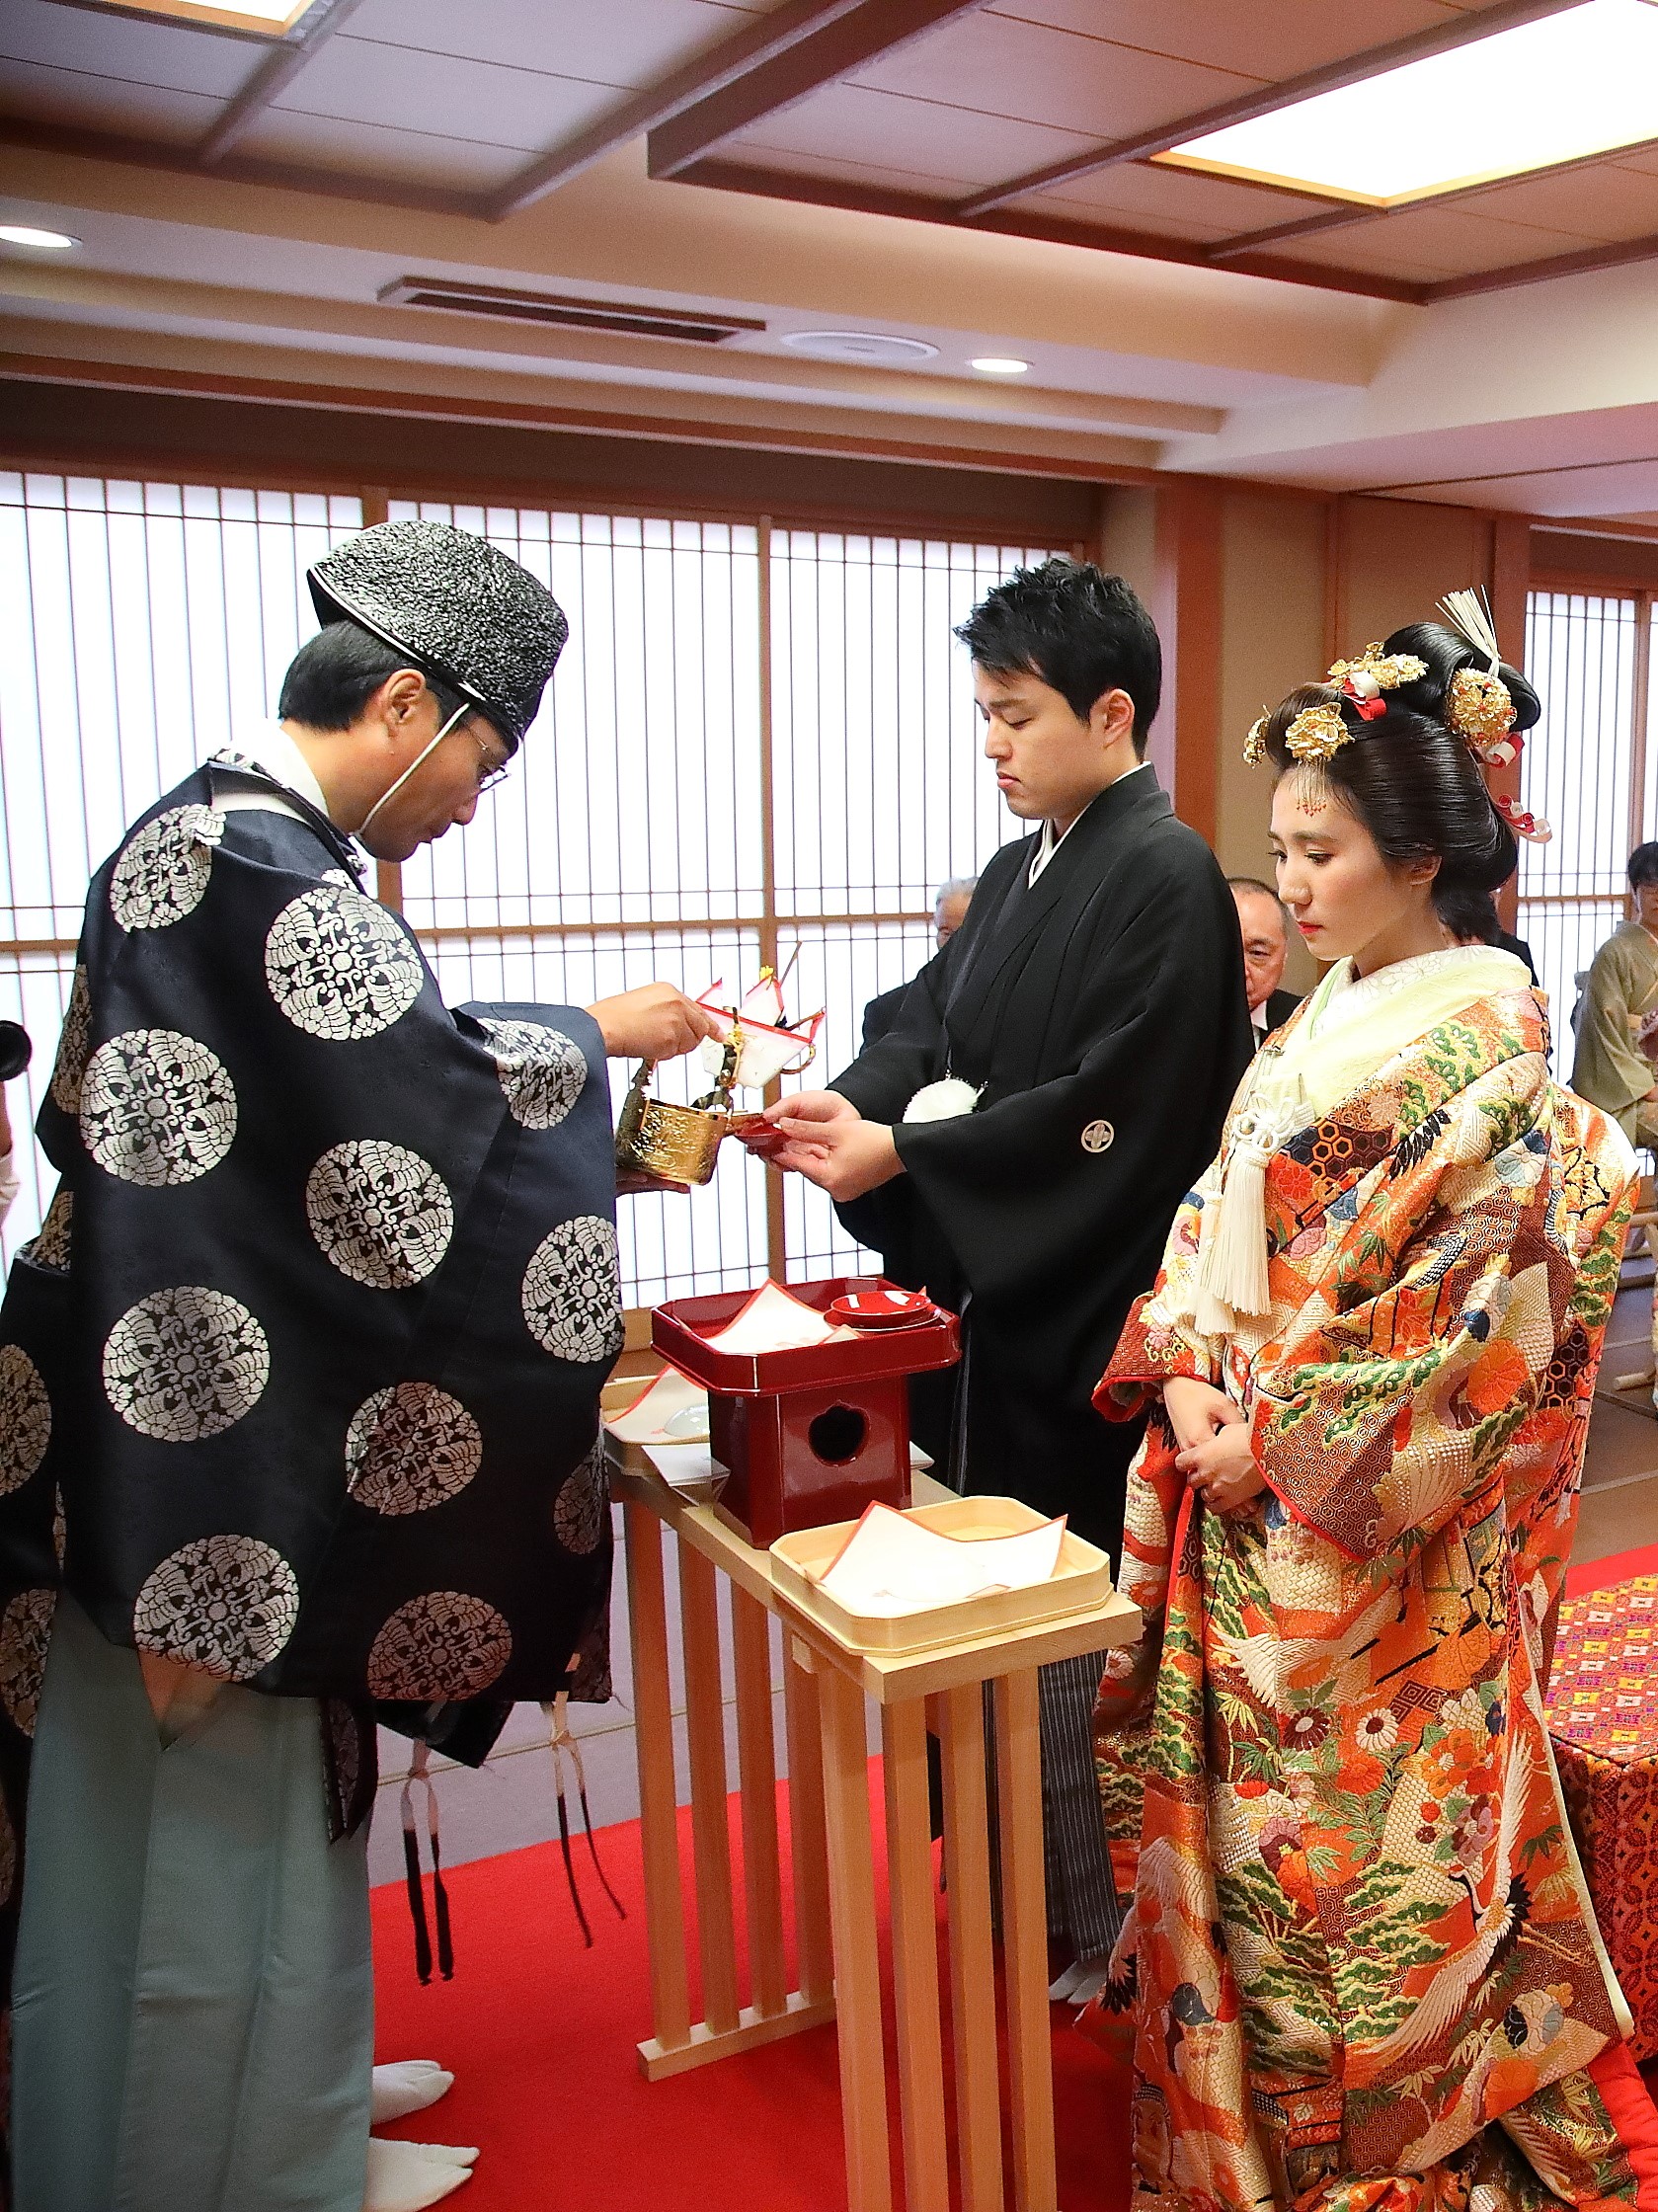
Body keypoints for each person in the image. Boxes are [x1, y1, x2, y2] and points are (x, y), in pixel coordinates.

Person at [0, 519, 722, 2212]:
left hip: (209, 1393)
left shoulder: (239, 845)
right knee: (202, 1818)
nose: (470, 802)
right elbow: (414, 1105)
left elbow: (364, 1118)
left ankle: (302, 2089)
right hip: (189, 1436)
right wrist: (601, 1041)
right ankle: (233, 2161)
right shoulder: (241, 860)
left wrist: (594, 1118)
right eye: (479, 760)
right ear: (403, 705)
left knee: (270, 1791)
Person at [1087, 625, 1658, 2212]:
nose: (1290, 890)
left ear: (1418, 860)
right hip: (1241, 1483)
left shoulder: (1498, 1069)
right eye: (1278, 851)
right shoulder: (1318, 1019)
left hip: (1363, 1550)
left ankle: (1372, 2148)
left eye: (1318, 855)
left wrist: (1264, 1438)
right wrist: (1184, 1365)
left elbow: (1472, 1337)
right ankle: (1248, 2136)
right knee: (1246, 1856)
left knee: (1362, 1869)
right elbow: (1210, 1220)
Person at [747, 557, 1253, 1987]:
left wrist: (906, 1155)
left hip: (1088, 1312)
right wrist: (854, 1107)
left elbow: (1118, 1112)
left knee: (1060, 1625)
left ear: (1112, 713)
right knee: (987, 1601)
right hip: (996, 1301)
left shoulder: (1162, 872)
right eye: (983, 714)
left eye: (1014, 715)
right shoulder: (1033, 863)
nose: (991, 743)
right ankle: (1012, 1885)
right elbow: (929, 1018)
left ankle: (1088, 1929)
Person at [1572, 841, 1658, 1147]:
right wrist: (1646, 1088)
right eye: (1651, 888)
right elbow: (1602, 1028)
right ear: (1635, 891)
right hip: (1629, 1084)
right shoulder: (1615, 952)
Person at [862, 877, 978, 1048]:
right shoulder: (886, 1011)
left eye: (964, 932)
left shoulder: (1008, 1002)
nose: (953, 943)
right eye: (946, 933)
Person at [1228, 876, 1302, 1043]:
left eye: (1257, 953)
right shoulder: (1172, 1016)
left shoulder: (1307, 1022)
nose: (1240, 971)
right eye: (1225, 950)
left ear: (1284, 957)